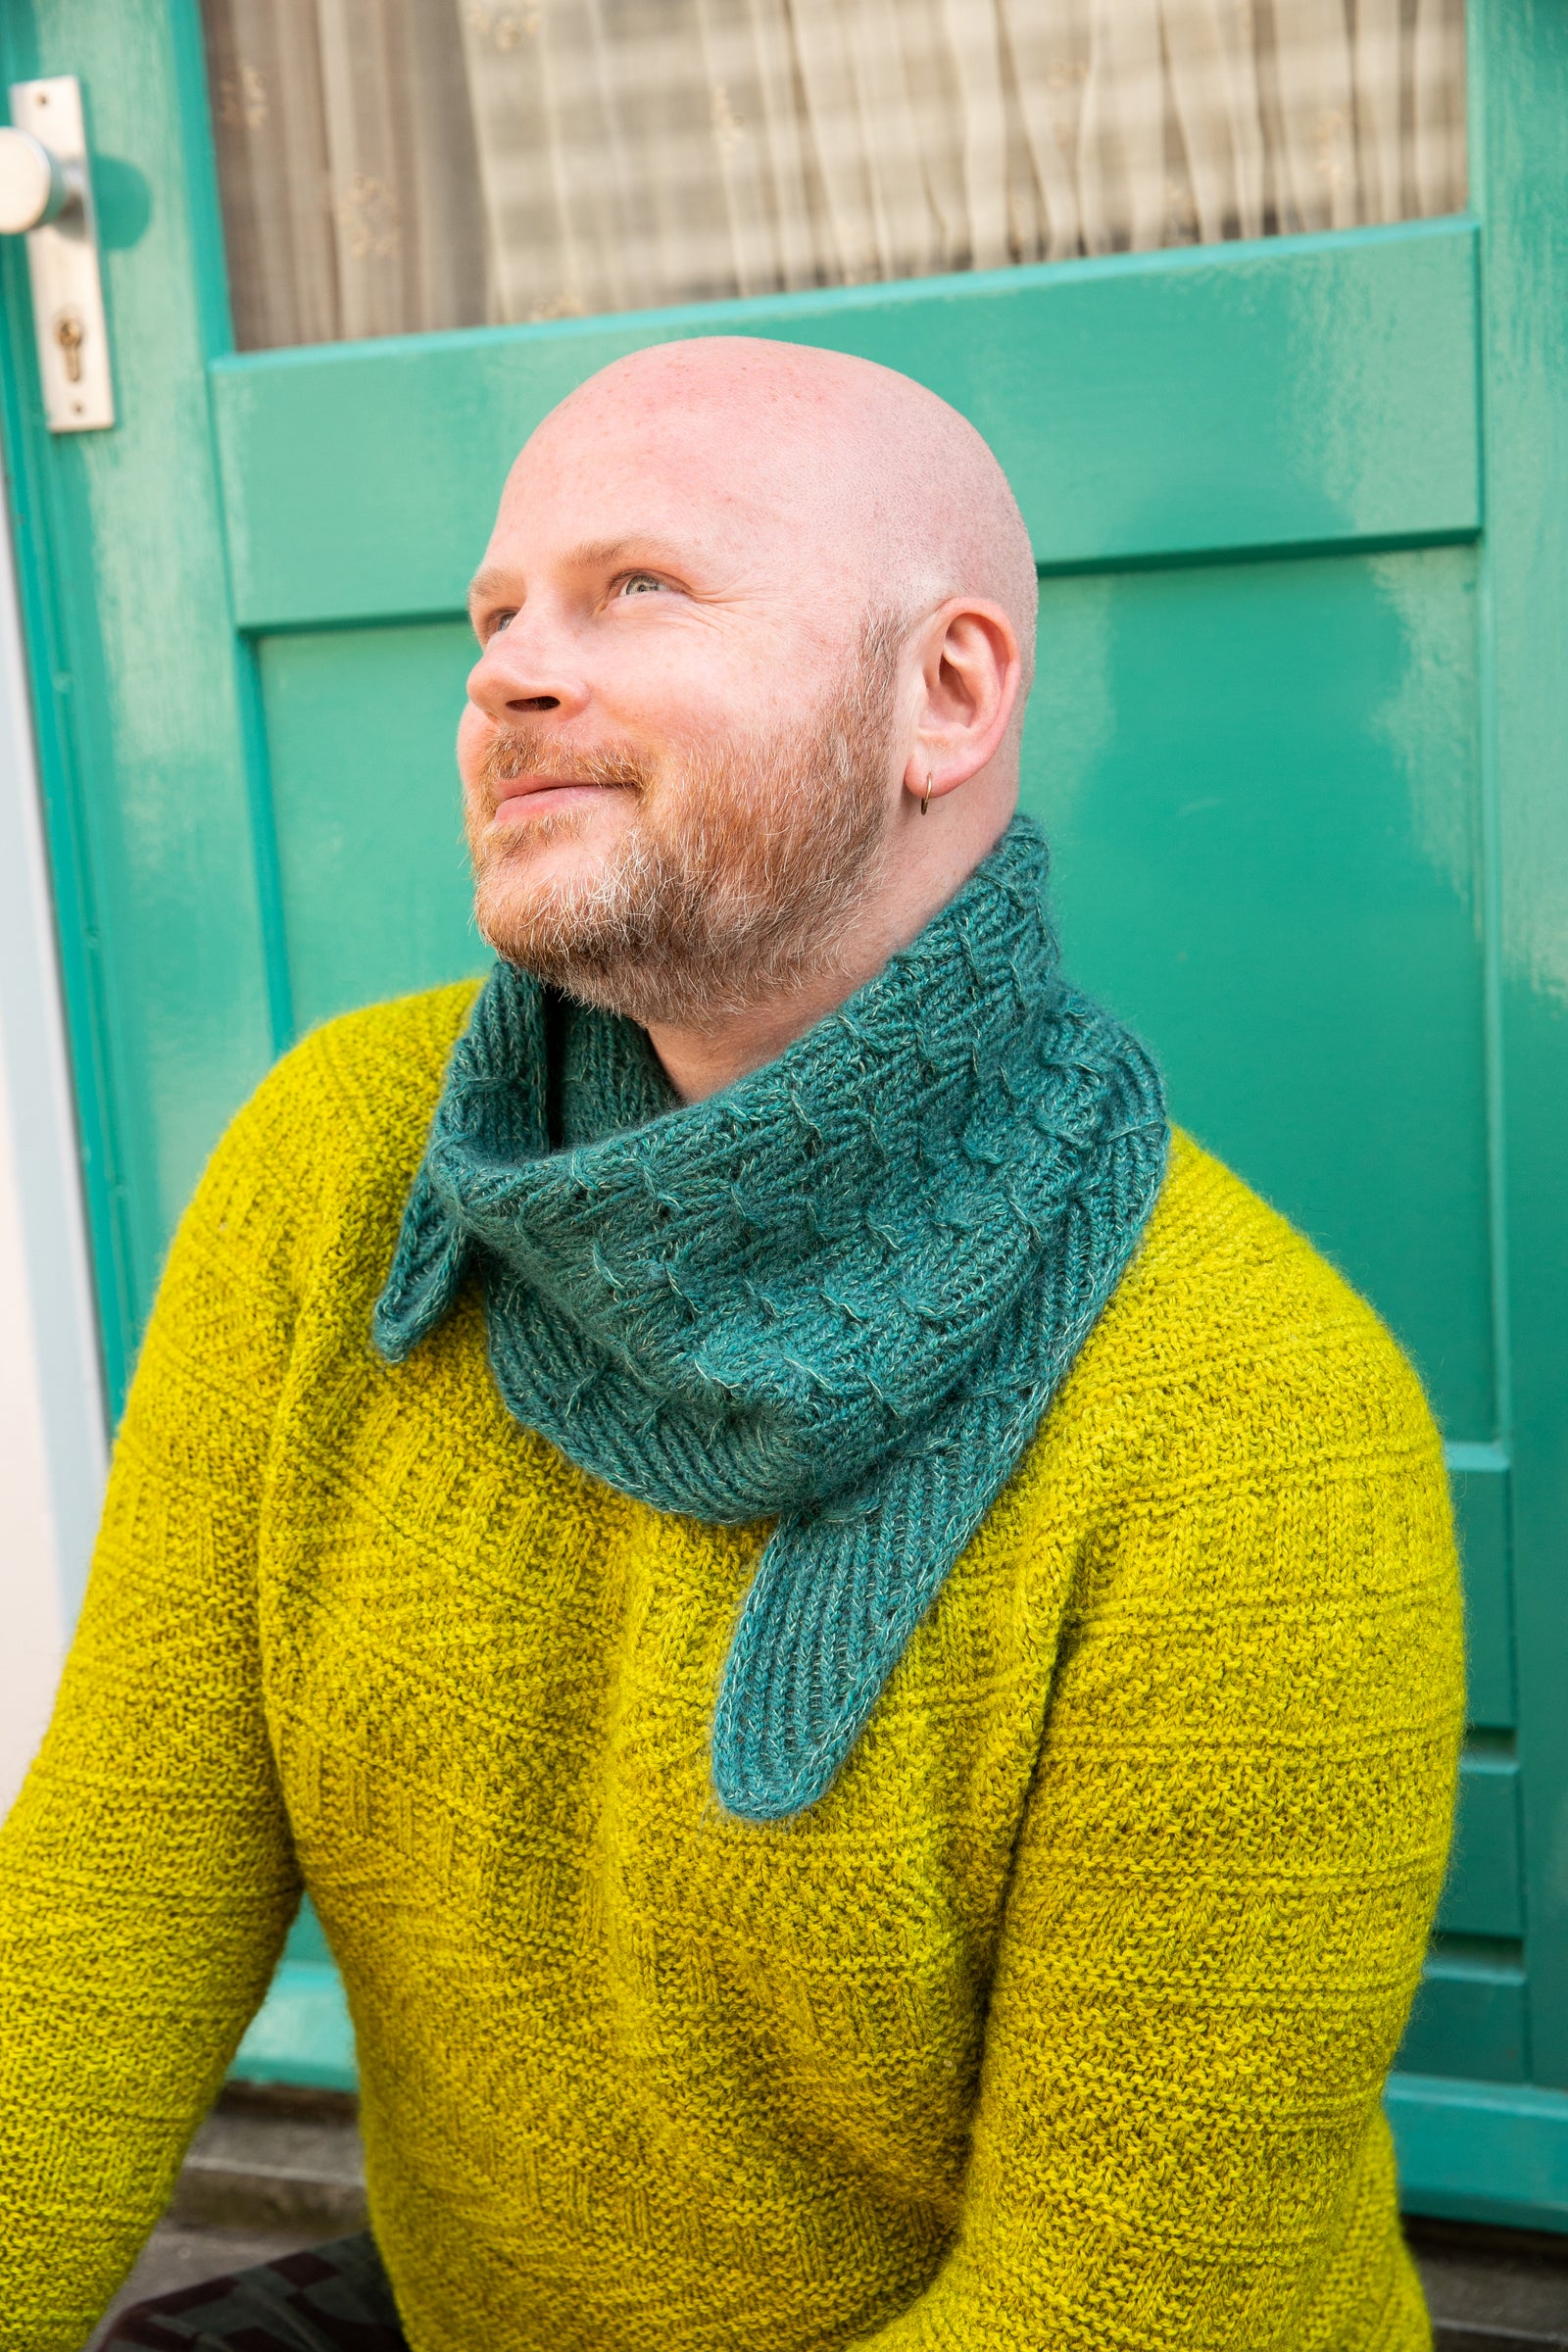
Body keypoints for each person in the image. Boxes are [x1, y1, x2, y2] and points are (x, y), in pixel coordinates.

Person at [0, 338, 1461, 2352]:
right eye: (492, 615)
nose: (507, 674)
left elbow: (1118, 2304)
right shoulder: (337, 1167)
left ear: (943, 696)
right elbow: (111, 1897)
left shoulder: (1252, 1427)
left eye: (637, 591)